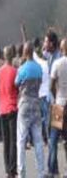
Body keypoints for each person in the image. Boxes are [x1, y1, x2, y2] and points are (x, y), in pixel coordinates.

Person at [16, 43, 46, 178]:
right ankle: (41, 172)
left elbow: (16, 83)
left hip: (24, 104)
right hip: (36, 103)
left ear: (24, 52)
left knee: (21, 140)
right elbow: (40, 82)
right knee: (38, 140)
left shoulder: (22, 69)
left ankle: (22, 173)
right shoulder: (39, 68)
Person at [48, 36, 67, 176]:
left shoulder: (57, 63)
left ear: (62, 49)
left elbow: (51, 85)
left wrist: (55, 97)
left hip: (59, 105)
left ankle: (53, 169)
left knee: (54, 139)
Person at [0, 46, 19, 178]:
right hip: (12, 107)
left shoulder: (0, 72)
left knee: (6, 140)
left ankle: (7, 168)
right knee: (13, 140)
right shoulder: (15, 71)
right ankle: (12, 169)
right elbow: (17, 88)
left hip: (2, 108)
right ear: (12, 56)